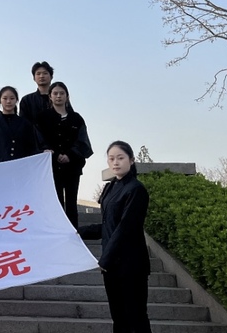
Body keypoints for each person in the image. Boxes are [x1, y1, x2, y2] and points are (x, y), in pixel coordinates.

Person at [79, 141, 152, 333]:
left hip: (131, 264)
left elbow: (125, 228)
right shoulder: (110, 188)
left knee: (136, 317)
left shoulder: (136, 189)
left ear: (131, 160)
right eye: (111, 159)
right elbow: (107, 226)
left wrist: (105, 259)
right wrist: (79, 232)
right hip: (112, 267)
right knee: (118, 318)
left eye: (120, 158)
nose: (115, 162)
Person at [35, 82, 93, 228]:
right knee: (56, 202)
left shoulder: (76, 118)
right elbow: (38, 140)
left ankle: (73, 232)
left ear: (67, 96)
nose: (58, 96)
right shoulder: (42, 118)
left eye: (62, 93)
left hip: (72, 167)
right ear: (50, 96)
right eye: (55, 93)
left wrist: (70, 155)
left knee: (72, 202)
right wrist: (51, 153)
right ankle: (58, 231)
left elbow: (83, 142)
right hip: (51, 167)